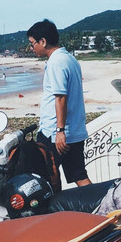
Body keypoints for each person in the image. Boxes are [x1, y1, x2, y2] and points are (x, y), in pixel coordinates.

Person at [27, 19, 91, 187]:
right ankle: (101, 208)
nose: (31, 48)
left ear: (43, 41)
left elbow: (60, 97)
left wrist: (59, 131)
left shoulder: (56, 62)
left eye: (32, 43)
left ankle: (54, 213)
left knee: (46, 179)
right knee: (79, 175)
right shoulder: (69, 59)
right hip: (75, 131)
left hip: (55, 134)